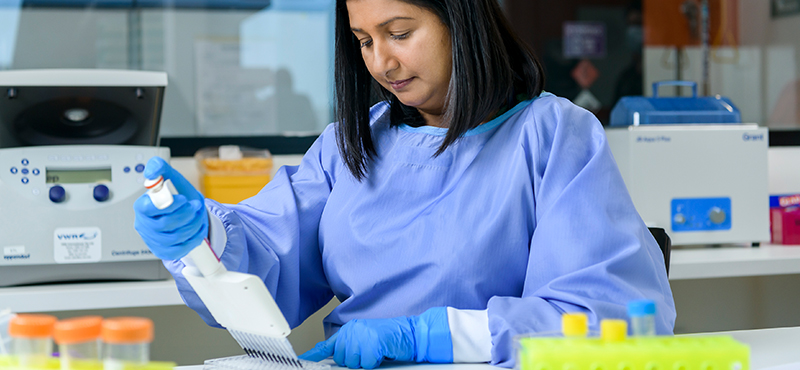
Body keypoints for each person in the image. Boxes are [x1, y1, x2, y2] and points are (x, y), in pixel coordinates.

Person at [133, 0, 676, 369]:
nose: (380, 61)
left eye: (399, 34)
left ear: (460, 19)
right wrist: (199, 236)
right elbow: (267, 269)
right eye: (363, 40)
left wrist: (428, 337)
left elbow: (613, 316)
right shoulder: (351, 144)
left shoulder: (552, 135)